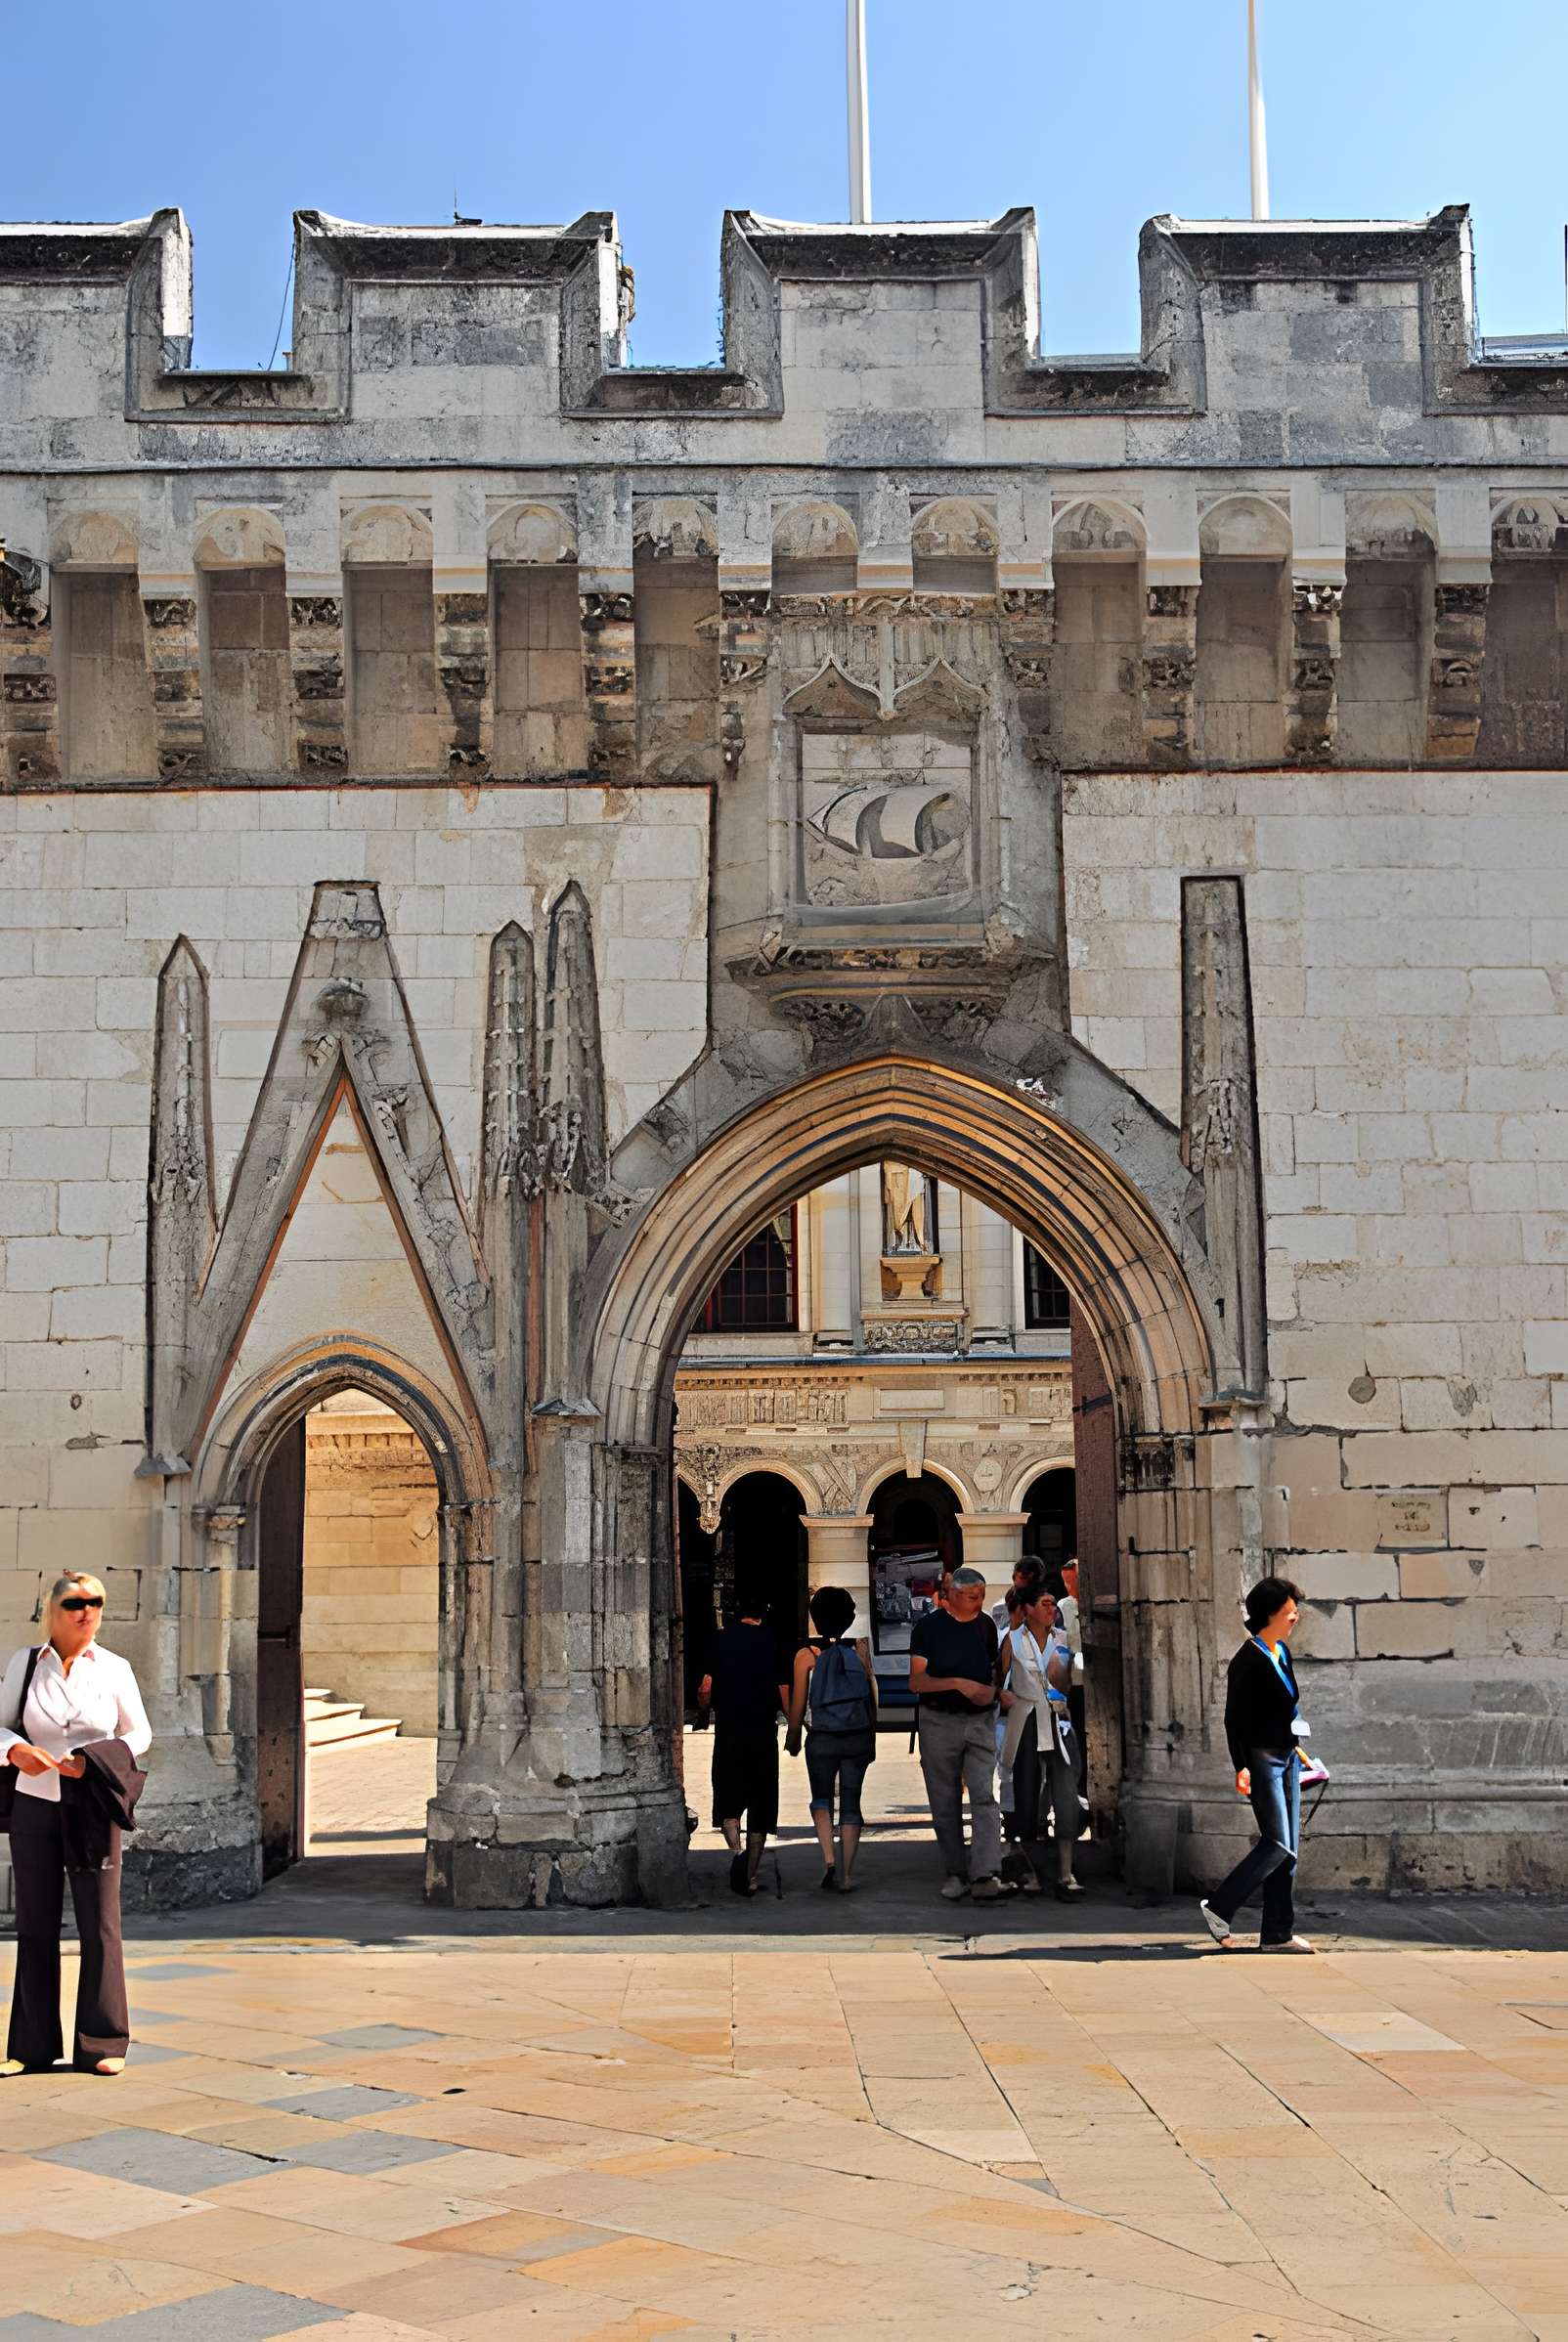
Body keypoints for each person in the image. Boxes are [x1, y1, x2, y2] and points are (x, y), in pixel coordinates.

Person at [1, 1573, 152, 2076]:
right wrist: (14, 1750)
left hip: (92, 1806)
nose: (86, 1611)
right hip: (34, 1803)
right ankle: (33, 2046)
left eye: (96, 1603)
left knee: (100, 1924)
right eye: (75, 1603)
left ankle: (104, 2046)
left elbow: (140, 1733)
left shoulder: (114, 1668)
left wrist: (95, 1760)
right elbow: (0, 1724)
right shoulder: (25, 1664)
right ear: (53, 1609)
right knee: (35, 1924)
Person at [1199, 1576, 1315, 1955]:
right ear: (1270, 1614)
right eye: (1289, 1610)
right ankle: (1219, 1907)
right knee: (1277, 1843)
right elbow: (1235, 1720)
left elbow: (1287, 1708)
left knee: (1290, 1848)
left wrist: (1298, 1748)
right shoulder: (1247, 1660)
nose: (1296, 1616)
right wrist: (1241, 1766)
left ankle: (1277, 1933)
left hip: (1287, 1757)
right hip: (1262, 1760)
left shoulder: (1282, 1652)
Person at [908, 1565, 1009, 1903]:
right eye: (971, 1596)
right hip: (938, 1720)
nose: (978, 1602)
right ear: (951, 1596)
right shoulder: (928, 1629)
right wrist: (958, 1684)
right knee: (945, 1800)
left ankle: (985, 1872)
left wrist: (991, 1690)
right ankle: (955, 1872)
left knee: (984, 1796)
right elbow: (916, 1681)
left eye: (981, 1596)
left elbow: (993, 1668)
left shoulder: (985, 1626)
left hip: (980, 1721)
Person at [698, 1584, 789, 1897]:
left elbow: (706, 1687)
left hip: (729, 1730)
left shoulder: (721, 1641)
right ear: (763, 1613)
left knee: (729, 1798)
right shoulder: (771, 1641)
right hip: (762, 1730)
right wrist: (793, 1724)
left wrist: (705, 1707)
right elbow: (783, 1688)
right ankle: (749, 1875)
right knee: (761, 1804)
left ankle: (736, 1851)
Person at [785, 1585, 878, 1892]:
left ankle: (828, 1859)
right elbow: (872, 1697)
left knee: (821, 1798)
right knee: (852, 1803)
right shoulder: (860, 1649)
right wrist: (871, 1735)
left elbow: (799, 1703)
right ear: (849, 1618)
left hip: (822, 1737)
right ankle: (848, 1874)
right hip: (856, 1736)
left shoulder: (806, 1655)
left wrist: (795, 1735)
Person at [999, 1586, 1084, 1900]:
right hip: (1027, 1723)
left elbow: (1070, 1683)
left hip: (1058, 1722)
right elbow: (1000, 1680)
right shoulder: (1012, 1640)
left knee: (1065, 1794)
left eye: (1052, 1604)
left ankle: (1065, 1871)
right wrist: (1003, 1697)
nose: (1051, 1610)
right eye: (1045, 1604)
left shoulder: (1062, 1640)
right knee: (1026, 1797)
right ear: (1029, 1609)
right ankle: (1033, 1870)